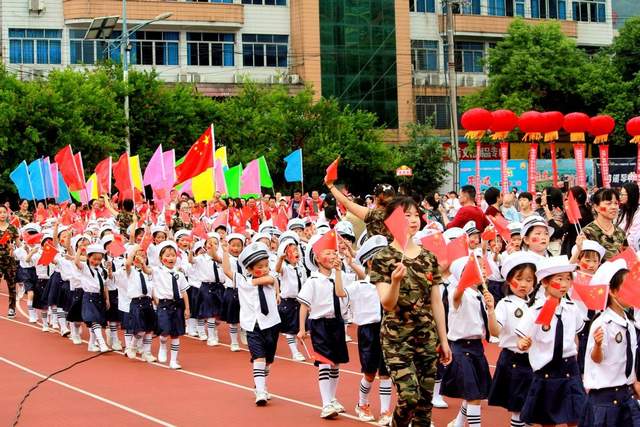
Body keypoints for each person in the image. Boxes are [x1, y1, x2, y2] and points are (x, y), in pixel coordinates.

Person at [370, 197, 451, 426]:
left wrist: (444, 341)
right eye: (406, 215)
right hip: (397, 339)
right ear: (392, 221)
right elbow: (387, 303)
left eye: (416, 215)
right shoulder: (383, 258)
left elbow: (436, 302)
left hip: (426, 337)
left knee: (424, 407)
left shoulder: (428, 258)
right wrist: (395, 281)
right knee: (409, 398)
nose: (414, 220)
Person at [516, 256, 587, 427]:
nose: (564, 284)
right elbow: (521, 339)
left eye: (568, 279)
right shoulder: (535, 311)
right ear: (546, 282)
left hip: (570, 368)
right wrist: (523, 344)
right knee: (548, 420)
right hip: (547, 370)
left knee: (576, 416)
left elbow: (575, 335)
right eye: (559, 279)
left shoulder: (572, 309)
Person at [581, 260, 640, 427]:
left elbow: (629, 357)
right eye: (628, 288)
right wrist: (598, 345)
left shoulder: (629, 323)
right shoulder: (602, 323)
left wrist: (633, 382)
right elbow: (597, 359)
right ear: (613, 292)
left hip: (625, 394)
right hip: (605, 399)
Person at [297, 232, 350, 419]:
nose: (333, 256)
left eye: (334, 253)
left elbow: (342, 294)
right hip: (319, 324)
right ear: (318, 259)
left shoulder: (340, 276)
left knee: (336, 363)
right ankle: (325, 403)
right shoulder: (312, 281)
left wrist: (338, 272)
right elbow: (304, 305)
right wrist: (302, 328)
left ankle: (333, 398)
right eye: (327, 253)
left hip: (337, 324)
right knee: (324, 363)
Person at [442, 249, 493, 427]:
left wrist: (491, 307)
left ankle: (457, 424)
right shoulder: (457, 293)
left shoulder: (480, 294)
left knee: (475, 393)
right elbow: (457, 295)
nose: (483, 271)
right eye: (477, 268)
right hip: (462, 349)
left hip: (477, 348)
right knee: (473, 397)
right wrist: (467, 276)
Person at [346, 235, 393, 424]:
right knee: (369, 372)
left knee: (386, 371)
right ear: (371, 263)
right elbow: (342, 294)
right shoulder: (360, 285)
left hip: (387, 329)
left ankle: (385, 411)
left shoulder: (391, 283)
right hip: (368, 332)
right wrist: (342, 270)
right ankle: (362, 403)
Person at [487, 251, 537, 427]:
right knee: (518, 408)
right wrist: (491, 311)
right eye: (519, 278)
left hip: (534, 361)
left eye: (529, 280)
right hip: (513, 361)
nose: (524, 284)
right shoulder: (505, 304)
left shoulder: (537, 303)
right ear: (509, 280)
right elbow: (494, 331)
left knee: (531, 409)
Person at [234, 242, 281, 406]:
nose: (266, 268)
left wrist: (253, 283)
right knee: (258, 358)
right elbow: (226, 270)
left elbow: (270, 278)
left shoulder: (269, 277)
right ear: (249, 269)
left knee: (268, 360)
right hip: (252, 325)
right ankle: (260, 391)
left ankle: (261, 383)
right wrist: (225, 251)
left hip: (271, 324)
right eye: (260, 266)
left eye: (267, 265)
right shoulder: (242, 281)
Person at [152, 241, 191, 369]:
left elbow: (184, 292)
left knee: (175, 333)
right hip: (164, 305)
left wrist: (187, 308)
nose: (170, 258)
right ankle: (163, 345)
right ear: (161, 258)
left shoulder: (179, 274)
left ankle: (174, 360)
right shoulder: (157, 271)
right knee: (164, 330)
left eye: (173, 255)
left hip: (177, 305)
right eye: (167, 256)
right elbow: (147, 270)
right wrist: (141, 262)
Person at [324, 176, 396, 239]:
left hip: (376, 253)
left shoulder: (372, 214)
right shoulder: (399, 215)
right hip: (396, 253)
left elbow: (347, 203)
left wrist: (331, 186)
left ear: (376, 198)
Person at [274, 235, 306, 361]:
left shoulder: (301, 267)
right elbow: (277, 269)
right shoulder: (285, 268)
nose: (295, 253)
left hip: (299, 301)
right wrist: (280, 259)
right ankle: (294, 352)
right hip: (288, 302)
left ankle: (296, 350)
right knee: (289, 329)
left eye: (296, 250)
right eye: (291, 252)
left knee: (296, 327)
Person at [582, 188, 628, 261]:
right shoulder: (587, 232)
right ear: (596, 207)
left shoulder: (621, 232)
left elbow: (627, 258)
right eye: (608, 203)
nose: (614, 207)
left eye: (616, 203)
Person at [0, 205, 19, 318]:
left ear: (7, 214)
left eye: (4, 212)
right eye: (0, 212)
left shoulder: (12, 228)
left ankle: (12, 308)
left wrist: (14, 248)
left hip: (9, 261)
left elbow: (18, 244)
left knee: (11, 286)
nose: (2, 214)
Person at [617, 182, 640, 251]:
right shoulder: (624, 210)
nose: (620, 197)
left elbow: (633, 237)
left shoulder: (638, 213)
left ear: (631, 195)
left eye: (622, 194)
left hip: (631, 251)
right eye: (620, 194)